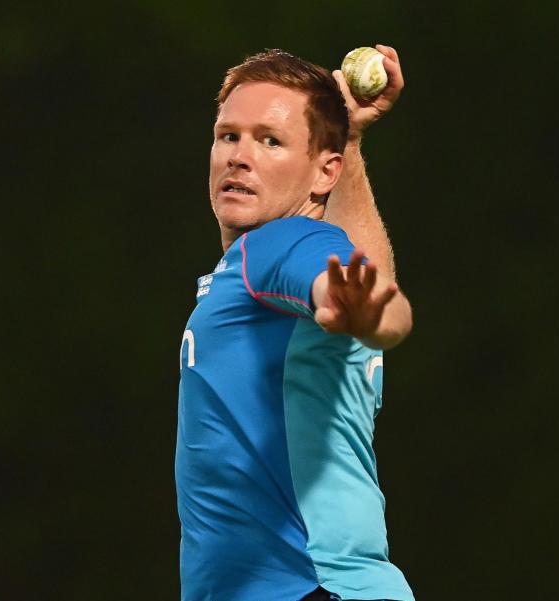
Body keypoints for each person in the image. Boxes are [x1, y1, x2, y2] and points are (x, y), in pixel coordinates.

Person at [176, 46, 414, 601]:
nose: (239, 155)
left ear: (322, 170)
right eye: (227, 135)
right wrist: (350, 143)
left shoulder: (277, 246)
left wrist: (373, 312)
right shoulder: (257, 267)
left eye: (270, 140)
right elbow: (361, 269)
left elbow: (380, 299)